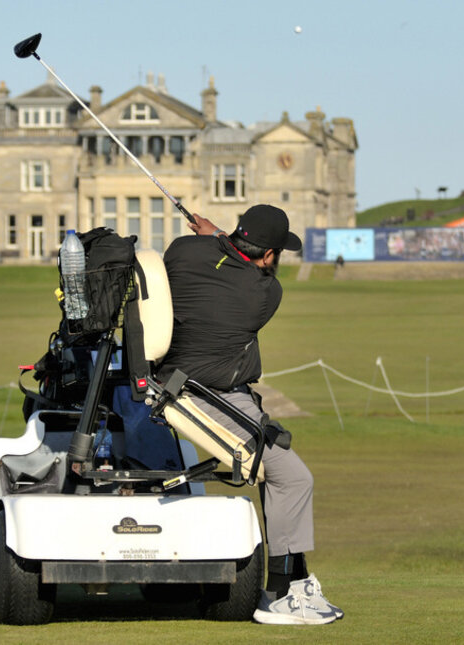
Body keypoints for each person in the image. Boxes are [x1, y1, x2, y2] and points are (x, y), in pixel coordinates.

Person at [157, 204, 342, 626]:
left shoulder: (182, 251)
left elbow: (220, 258)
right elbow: (250, 272)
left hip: (186, 380)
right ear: (269, 256)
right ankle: (277, 597)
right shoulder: (265, 293)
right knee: (294, 477)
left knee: (280, 467)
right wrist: (219, 235)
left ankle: (297, 582)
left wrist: (216, 237)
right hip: (204, 394)